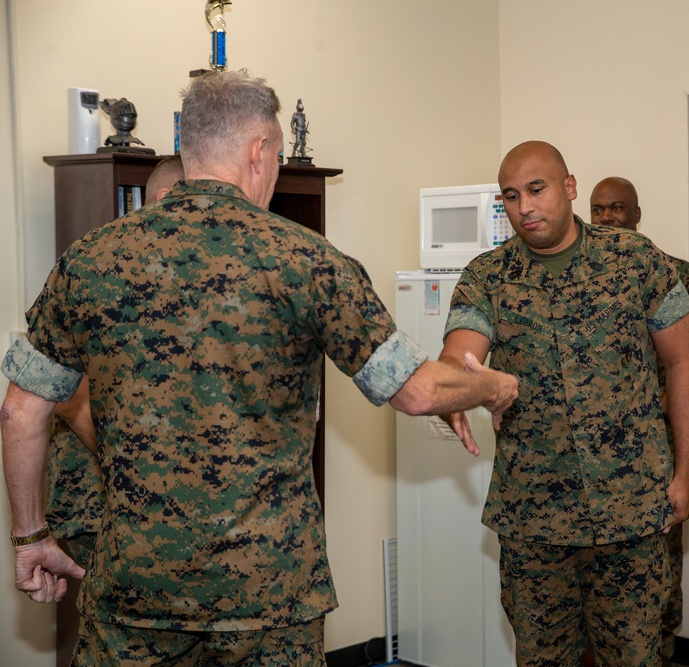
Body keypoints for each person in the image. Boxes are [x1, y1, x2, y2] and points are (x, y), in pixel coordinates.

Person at [2, 69, 518, 666]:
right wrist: (494, 384)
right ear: (258, 151)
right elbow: (419, 391)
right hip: (268, 594)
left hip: (135, 589)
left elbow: (20, 409)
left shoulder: (90, 261)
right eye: (273, 155)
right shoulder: (307, 260)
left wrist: (31, 535)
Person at [438, 141, 689, 666]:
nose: (525, 208)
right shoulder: (487, 277)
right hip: (535, 517)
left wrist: (684, 474)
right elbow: (459, 358)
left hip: (631, 507)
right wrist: (460, 388)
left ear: (570, 187)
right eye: (511, 197)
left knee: (634, 657)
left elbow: (682, 366)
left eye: (537, 190)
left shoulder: (636, 259)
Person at [589, 176, 689, 662]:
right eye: (598, 210)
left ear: (637, 215)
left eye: (617, 208)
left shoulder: (683, 276)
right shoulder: (583, 279)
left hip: (657, 451)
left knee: (654, 574)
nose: (607, 218)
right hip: (591, 461)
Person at [44, 155, 187, 578]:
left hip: (159, 505)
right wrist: (132, 466)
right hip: (100, 500)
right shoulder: (105, 268)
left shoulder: (178, 271)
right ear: (164, 198)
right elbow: (66, 396)